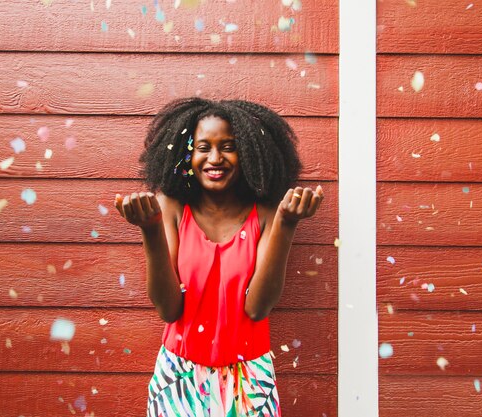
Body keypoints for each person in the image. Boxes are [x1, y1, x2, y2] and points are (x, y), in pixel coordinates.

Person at [114, 97, 324, 417]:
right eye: (203, 147)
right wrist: (150, 229)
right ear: (188, 154)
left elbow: (258, 308)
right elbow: (169, 310)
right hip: (179, 376)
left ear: (249, 153)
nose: (215, 158)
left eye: (228, 146)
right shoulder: (170, 207)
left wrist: (286, 222)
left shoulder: (267, 214)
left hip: (249, 379)